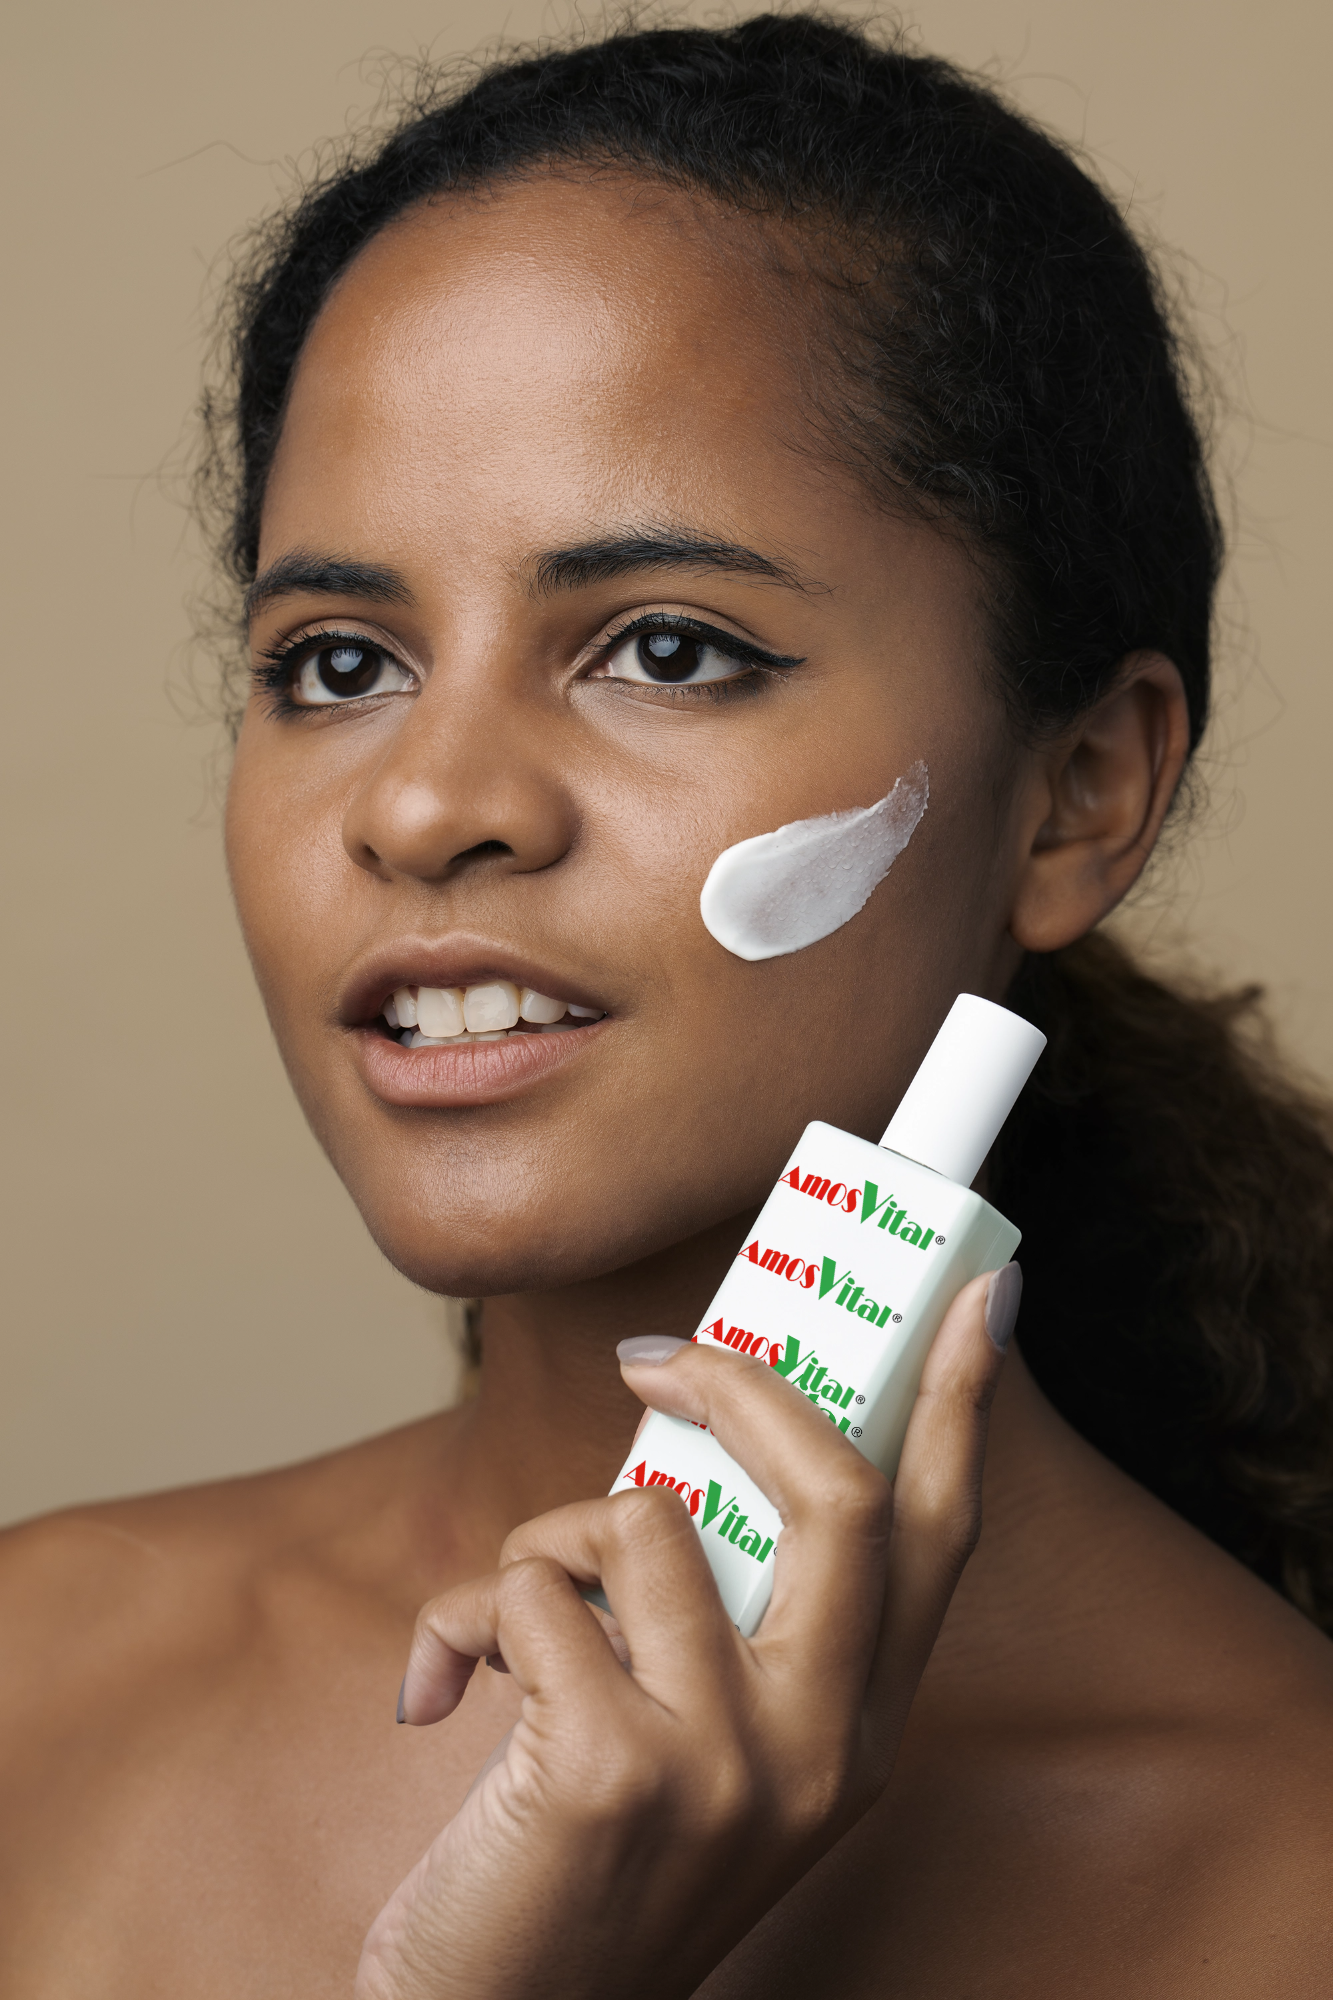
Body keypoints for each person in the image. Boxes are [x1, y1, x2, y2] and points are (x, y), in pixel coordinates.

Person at [2, 15, 1331, 1995]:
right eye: (339, 662)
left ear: (1081, 792)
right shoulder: (42, 1678)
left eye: (668, 646)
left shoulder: (1282, 1877)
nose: (429, 802)